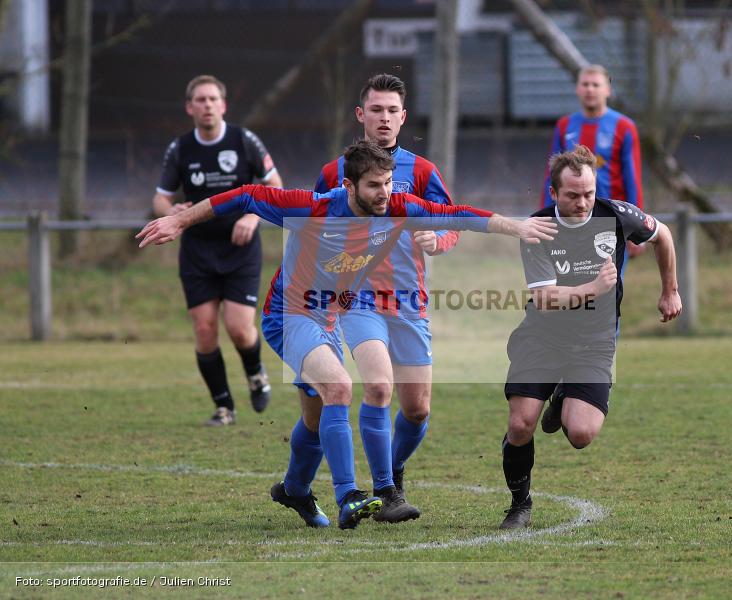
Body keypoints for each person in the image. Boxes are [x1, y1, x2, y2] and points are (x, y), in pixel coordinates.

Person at [137, 140, 557, 530]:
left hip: (329, 318)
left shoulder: (398, 207)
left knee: (315, 417)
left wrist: (516, 227)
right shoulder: (313, 208)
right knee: (339, 387)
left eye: (388, 183)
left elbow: (458, 215)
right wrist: (179, 219)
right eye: (374, 185)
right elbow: (247, 195)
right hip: (290, 315)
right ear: (348, 185)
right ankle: (350, 496)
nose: (384, 193)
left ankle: (294, 490)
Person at [296, 73, 457, 523]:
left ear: (403, 117)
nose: (384, 118)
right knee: (379, 387)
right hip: (357, 300)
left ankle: (391, 468)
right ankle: (385, 490)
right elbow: (313, 228)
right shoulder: (335, 172)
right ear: (360, 114)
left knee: (417, 409)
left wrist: (438, 240)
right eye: (376, 110)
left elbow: (451, 225)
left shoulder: (422, 172)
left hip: (408, 301)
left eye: (392, 111)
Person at [500, 145, 681, 529]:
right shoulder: (537, 228)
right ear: (553, 193)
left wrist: (670, 290)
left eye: (588, 194)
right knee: (520, 425)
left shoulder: (616, 215)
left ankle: (563, 392)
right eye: (572, 195)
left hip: (594, 343)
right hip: (542, 337)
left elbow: (663, 235)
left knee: (581, 433)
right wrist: (594, 288)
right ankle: (520, 504)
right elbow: (546, 300)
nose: (582, 203)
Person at [152, 75, 282, 426]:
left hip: (240, 248)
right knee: (205, 328)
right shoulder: (180, 149)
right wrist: (172, 212)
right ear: (189, 107)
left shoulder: (244, 141)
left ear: (223, 105)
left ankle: (255, 373)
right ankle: (224, 406)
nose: (207, 105)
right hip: (198, 251)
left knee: (239, 328)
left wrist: (252, 218)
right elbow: (160, 197)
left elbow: (274, 186)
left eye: (213, 99)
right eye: (200, 99)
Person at [540, 64, 646, 262]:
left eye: (596, 85)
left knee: (611, 279)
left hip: (612, 221)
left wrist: (637, 227)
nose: (590, 89)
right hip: (571, 221)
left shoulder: (624, 127)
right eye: (585, 84)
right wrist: (544, 220)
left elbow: (632, 179)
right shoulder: (564, 126)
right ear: (577, 89)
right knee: (573, 279)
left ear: (608, 90)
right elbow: (551, 177)